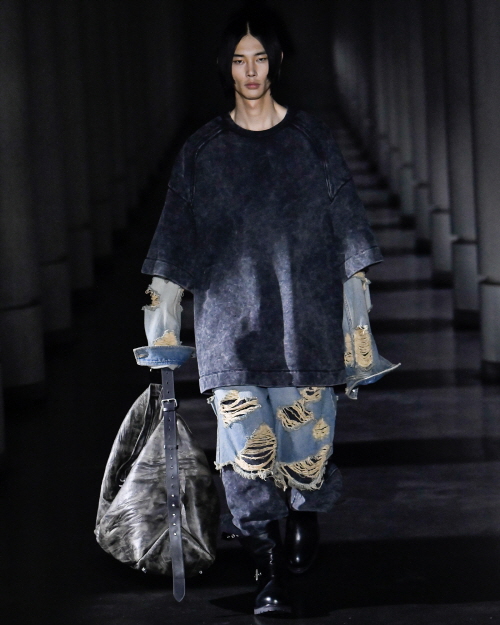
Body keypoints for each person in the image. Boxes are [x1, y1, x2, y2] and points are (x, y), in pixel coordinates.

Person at [135, 7, 398, 617]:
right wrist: (163, 325)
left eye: (260, 58)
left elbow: (348, 229)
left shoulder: (312, 142)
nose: (250, 71)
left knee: (305, 444)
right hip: (229, 327)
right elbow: (174, 240)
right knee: (245, 454)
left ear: (277, 62)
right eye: (238, 59)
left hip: (306, 322)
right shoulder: (202, 152)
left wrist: (356, 323)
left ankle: (303, 518)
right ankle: (267, 566)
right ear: (225, 67)